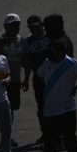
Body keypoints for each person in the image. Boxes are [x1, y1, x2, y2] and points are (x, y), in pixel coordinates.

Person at [35, 39, 77, 152]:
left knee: (70, 139)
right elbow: (39, 74)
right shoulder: (48, 62)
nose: (50, 54)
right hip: (49, 109)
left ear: (61, 52)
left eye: (53, 52)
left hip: (67, 109)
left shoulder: (71, 64)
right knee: (49, 140)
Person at [0, 14, 27, 144]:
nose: (15, 28)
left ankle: (6, 136)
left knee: (11, 110)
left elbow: (27, 60)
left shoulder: (23, 41)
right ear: (5, 26)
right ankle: (3, 137)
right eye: (12, 25)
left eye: (17, 25)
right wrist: (3, 79)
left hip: (15, 82)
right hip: (0, 83)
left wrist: (26, 78)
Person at [22, 15, 49, 143]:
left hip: (53, 77)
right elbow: (27, 62)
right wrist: (26, 79)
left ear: (42, 25)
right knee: (42, 107)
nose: (35, 30)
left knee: (55, 105)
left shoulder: (50, 38)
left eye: (37, 27)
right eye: (32, 28)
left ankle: (58, 134)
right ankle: (46, 132)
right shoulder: (28, 41)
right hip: (38, 79)